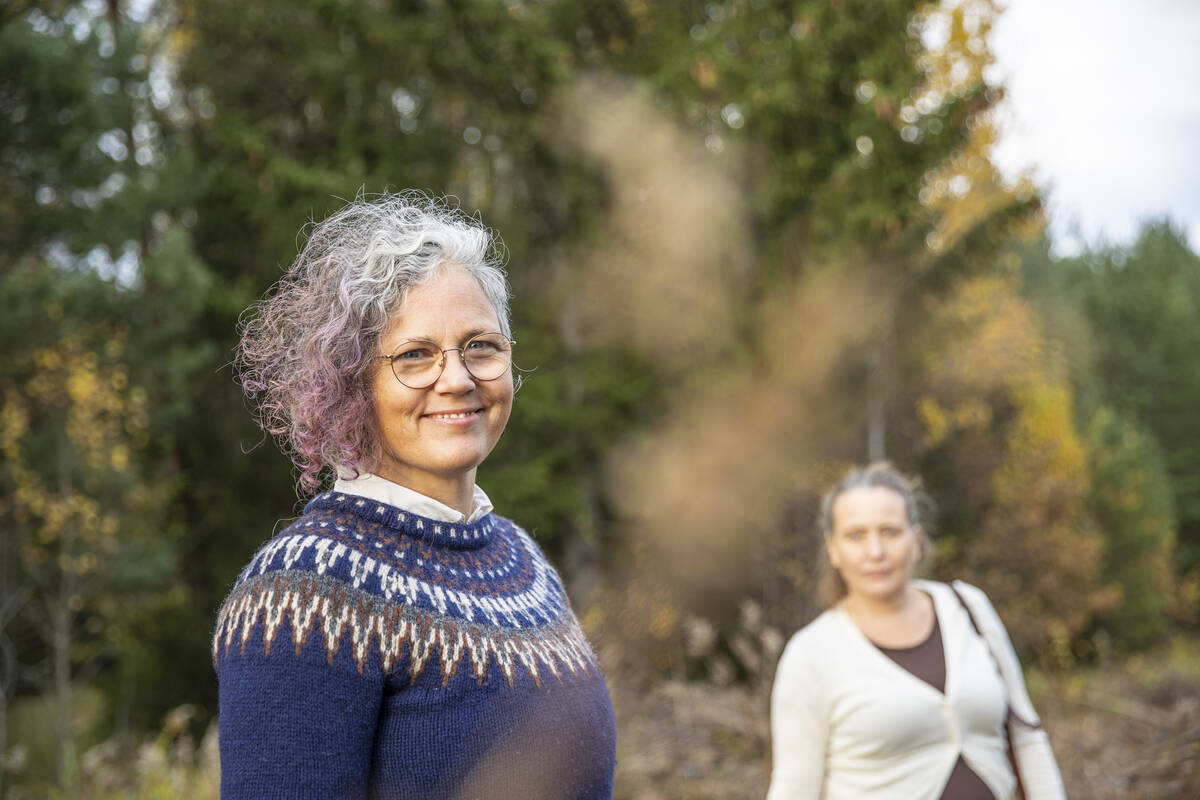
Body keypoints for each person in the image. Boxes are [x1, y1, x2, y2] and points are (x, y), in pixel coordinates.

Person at [213, 192, 617, 799]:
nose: (456, 379)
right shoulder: (302, 596)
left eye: (481, 345)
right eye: (416, 355)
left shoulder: (522, 561)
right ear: (352, 384)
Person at [767, 463, 1065, 800]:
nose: (875, 552)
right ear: (833, 549)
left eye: (890, 532)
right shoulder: (811, 653)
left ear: (916, 540)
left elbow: (1028, 737)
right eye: (856, 535)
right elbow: (795, 787)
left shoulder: (969, 607)